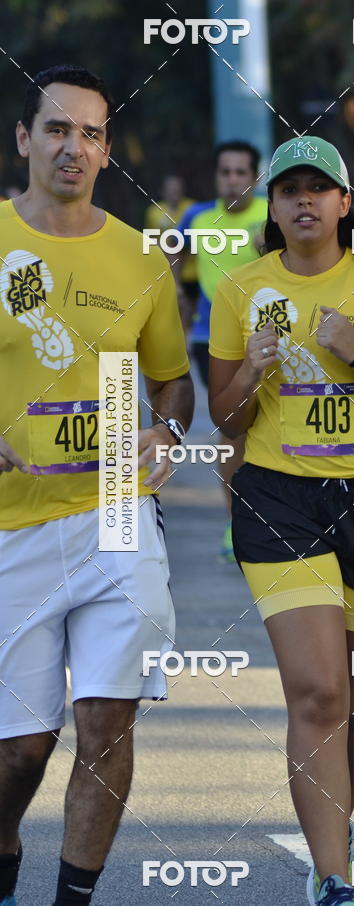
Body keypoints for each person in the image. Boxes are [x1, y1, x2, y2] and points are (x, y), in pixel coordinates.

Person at [208, 137, 354, 906]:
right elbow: (226, 419)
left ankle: (329, 846)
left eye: (319, 188)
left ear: (345, 202)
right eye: (288, 190)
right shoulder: (242, 289)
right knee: (317, 694)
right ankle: (337, 880)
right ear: (272, 208)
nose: (303, 200)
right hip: (279, 499)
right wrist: (249, 370)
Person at [0, 64, 194, 906]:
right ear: (24, 140)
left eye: (89, 133)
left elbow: (172, 381)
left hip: (119, 512)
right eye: (56, 129)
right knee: (20, 752)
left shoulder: (141, 257)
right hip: (14, 529)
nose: (72, 146)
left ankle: (73, 900)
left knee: (107, 721)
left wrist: (169, 427)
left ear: (107, 151)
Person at [173, 140, 266, 561]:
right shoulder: (197, 217)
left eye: (240, 173)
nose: (232, 181)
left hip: (269, 338)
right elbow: (172, 256)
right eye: (225, 173)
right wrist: (177, 291)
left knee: (272, 425)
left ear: (255, 177)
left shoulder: (271, 215)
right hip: (209, 340)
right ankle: (236, 522)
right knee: (233, 430)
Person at [144, 174, 197, 327]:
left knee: (190, 304)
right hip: (166, 269)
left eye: (177, 189)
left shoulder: (191, 208)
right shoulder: (154, 212)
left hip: (191, 269)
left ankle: (190, 336)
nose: (174, 192)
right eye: (170, 189)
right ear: (163, 191)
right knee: (172, 306)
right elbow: (151, 240)